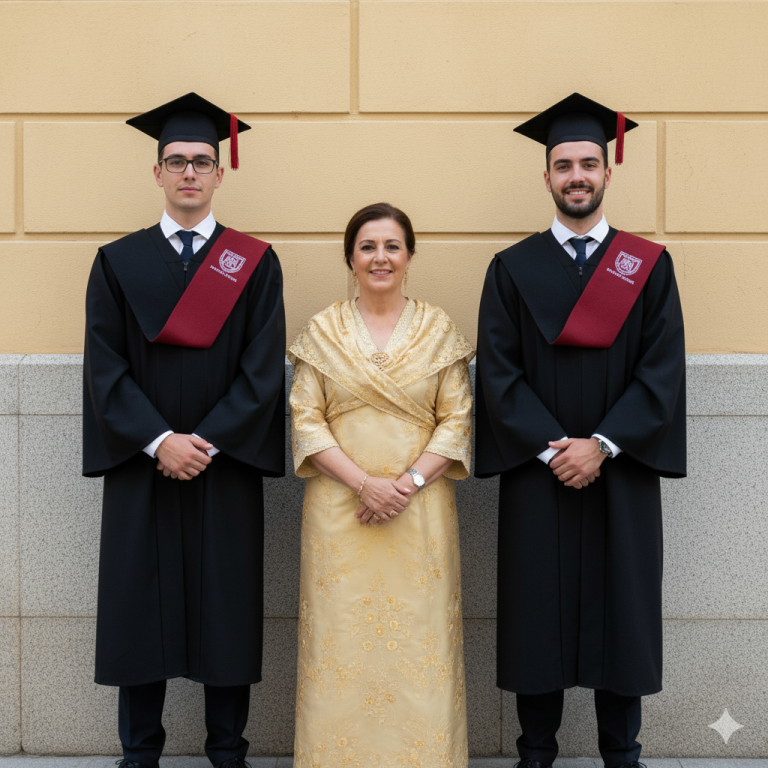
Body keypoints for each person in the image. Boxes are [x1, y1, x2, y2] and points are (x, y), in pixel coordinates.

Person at [474, 93, 686, 768]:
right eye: (564, 165)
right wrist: (554, 449)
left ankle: (622, 755)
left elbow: (661, 370)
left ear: (607, 173)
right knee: (536, 613)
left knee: (623, 614)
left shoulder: (646, 266)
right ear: (546, 177)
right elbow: (499, 373)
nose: (577, 176)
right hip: (540, 472)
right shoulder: (512, 269)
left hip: (620, 469)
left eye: (588, 164)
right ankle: (535, 754)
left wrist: (603, 445)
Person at [82, 92, 286, 768]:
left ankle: (228, 750)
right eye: (177, 161)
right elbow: (105, 365)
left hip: (222, 465)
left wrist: (205, 442)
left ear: (220, 173)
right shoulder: (118, 262)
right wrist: (158, 441)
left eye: (201, 161)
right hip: (143, 463)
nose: (189, 172)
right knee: (139, 610)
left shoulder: (253, 263)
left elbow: (262, 370)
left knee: (225, 609)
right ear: (157, 173)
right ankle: (139, 752)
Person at [288, 203, 474, 767]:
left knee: (419, 641)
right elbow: (305, 420)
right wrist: (364, 483)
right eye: (367, 247)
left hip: (420, 512)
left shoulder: (439, 331)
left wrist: (406, 484)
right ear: (350, 257)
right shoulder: (322, 332)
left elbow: (458, 420)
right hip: (339, 511)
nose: (380, 258)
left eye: (392, 246)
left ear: (410, 256)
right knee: (340, 639)